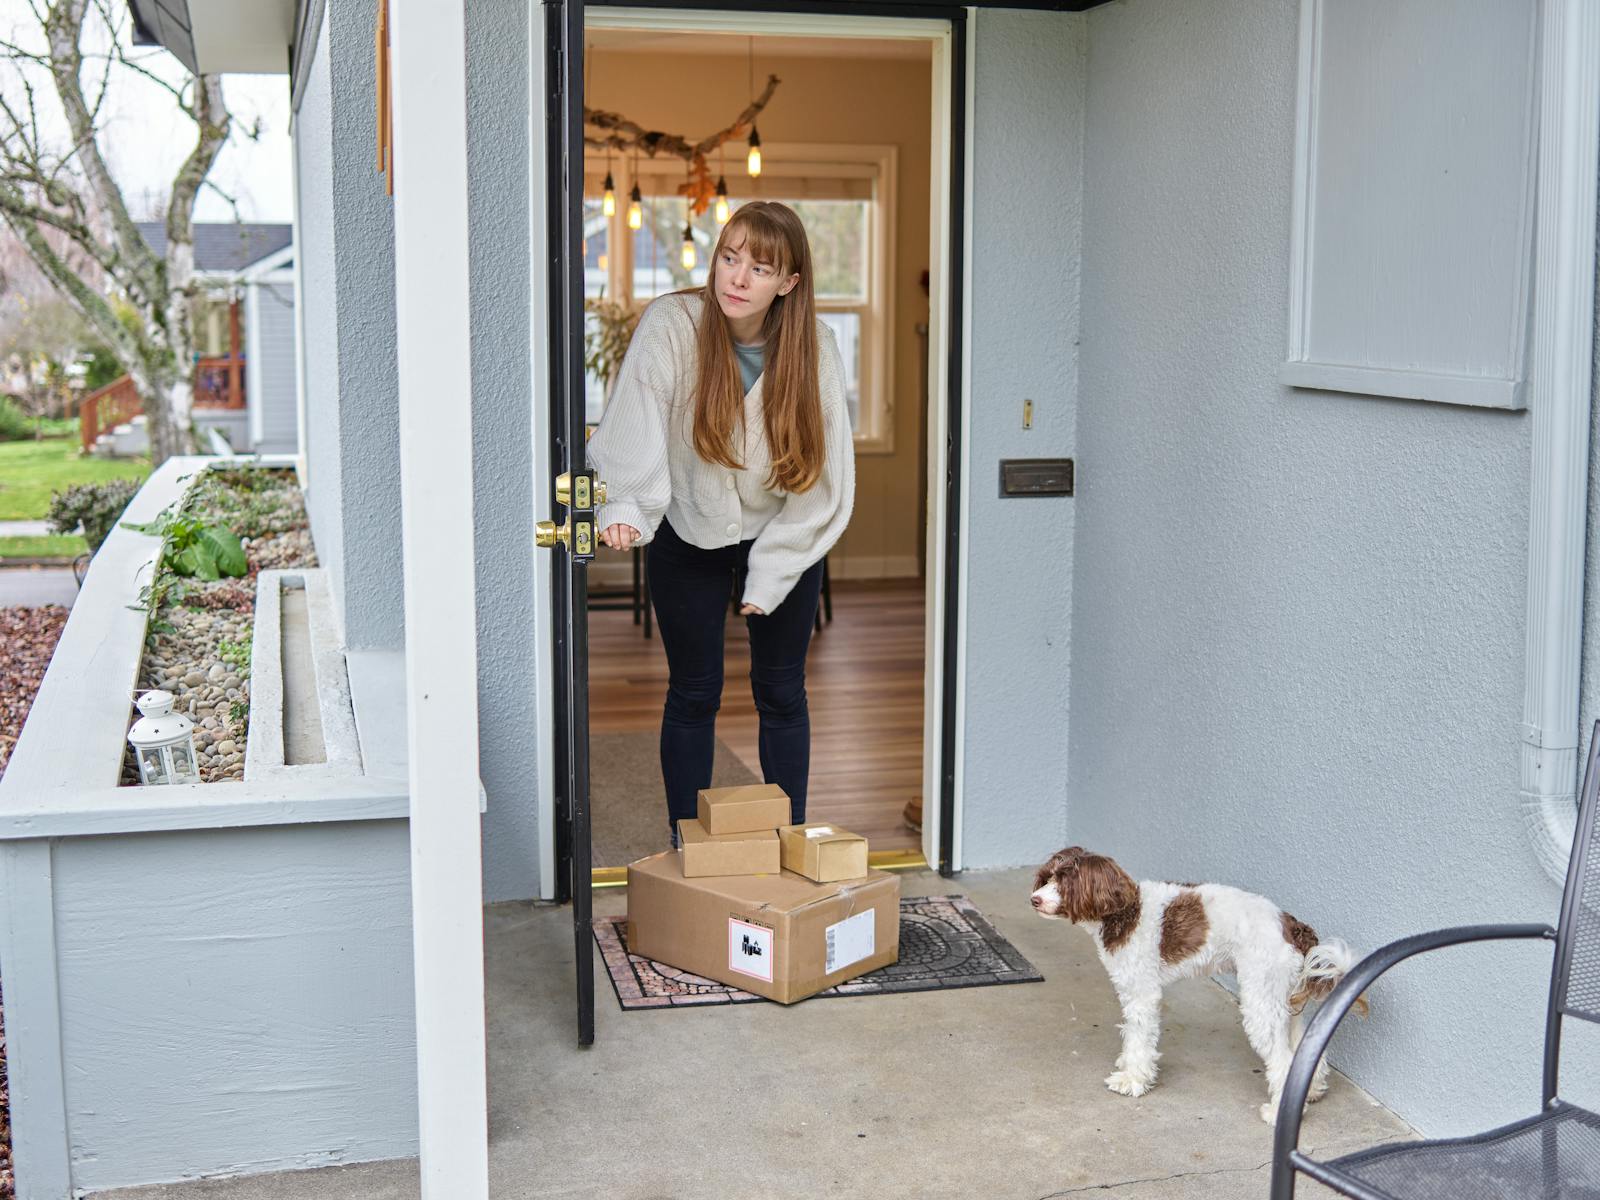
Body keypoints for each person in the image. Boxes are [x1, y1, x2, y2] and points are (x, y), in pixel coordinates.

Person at [587, 200, 855, 845]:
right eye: (729, 257)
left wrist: (770, 575)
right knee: (694, 690)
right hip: (690, 533)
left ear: (788, 282)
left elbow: (826, 478)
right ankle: (685, 840)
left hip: (783, 535)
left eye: (759, 268)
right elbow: (636, 421)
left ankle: (792, 840)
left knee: (782, 692)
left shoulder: (814, 346)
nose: (737, 278)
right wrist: (625, 506)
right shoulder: (671, 324)